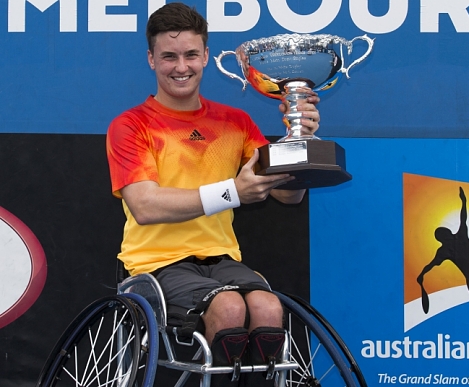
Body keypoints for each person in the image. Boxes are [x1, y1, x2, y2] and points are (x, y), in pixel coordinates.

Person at [105, 3, 320, 386]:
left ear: (205, 56)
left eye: (190, 54)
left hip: (222, 260)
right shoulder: (130, 125)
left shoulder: (236, 122)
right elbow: (145, 205)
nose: (181, 66)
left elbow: (290, 197)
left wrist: (299, 141)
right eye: (169, 56)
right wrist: (233, 191)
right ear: (151, 59)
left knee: (269, 306)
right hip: (156, 265)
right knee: (230, 306)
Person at [416, 187, 469, 313]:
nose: (446, 235)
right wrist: (422, 275)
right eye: (443, 235)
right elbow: (430, 265)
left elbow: (463, 218)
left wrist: (464, 202)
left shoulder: (460, 236)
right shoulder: (444, 251)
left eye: (445, 233)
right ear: (442, 239)